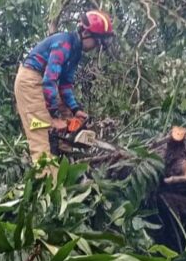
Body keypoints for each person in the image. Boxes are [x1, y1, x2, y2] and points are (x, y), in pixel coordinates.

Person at [14, 10, 114, 163]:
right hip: (30, 81)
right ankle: (50, 181)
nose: (96, 46)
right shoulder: (64, 44)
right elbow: (49, 80)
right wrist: (54, 118)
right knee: (42, 136)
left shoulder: (76, 51)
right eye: (97, 41)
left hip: (44, 81)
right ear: (86, 32)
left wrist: (75, 109)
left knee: (67, 117)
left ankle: (65, 160)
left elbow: (65, 84)